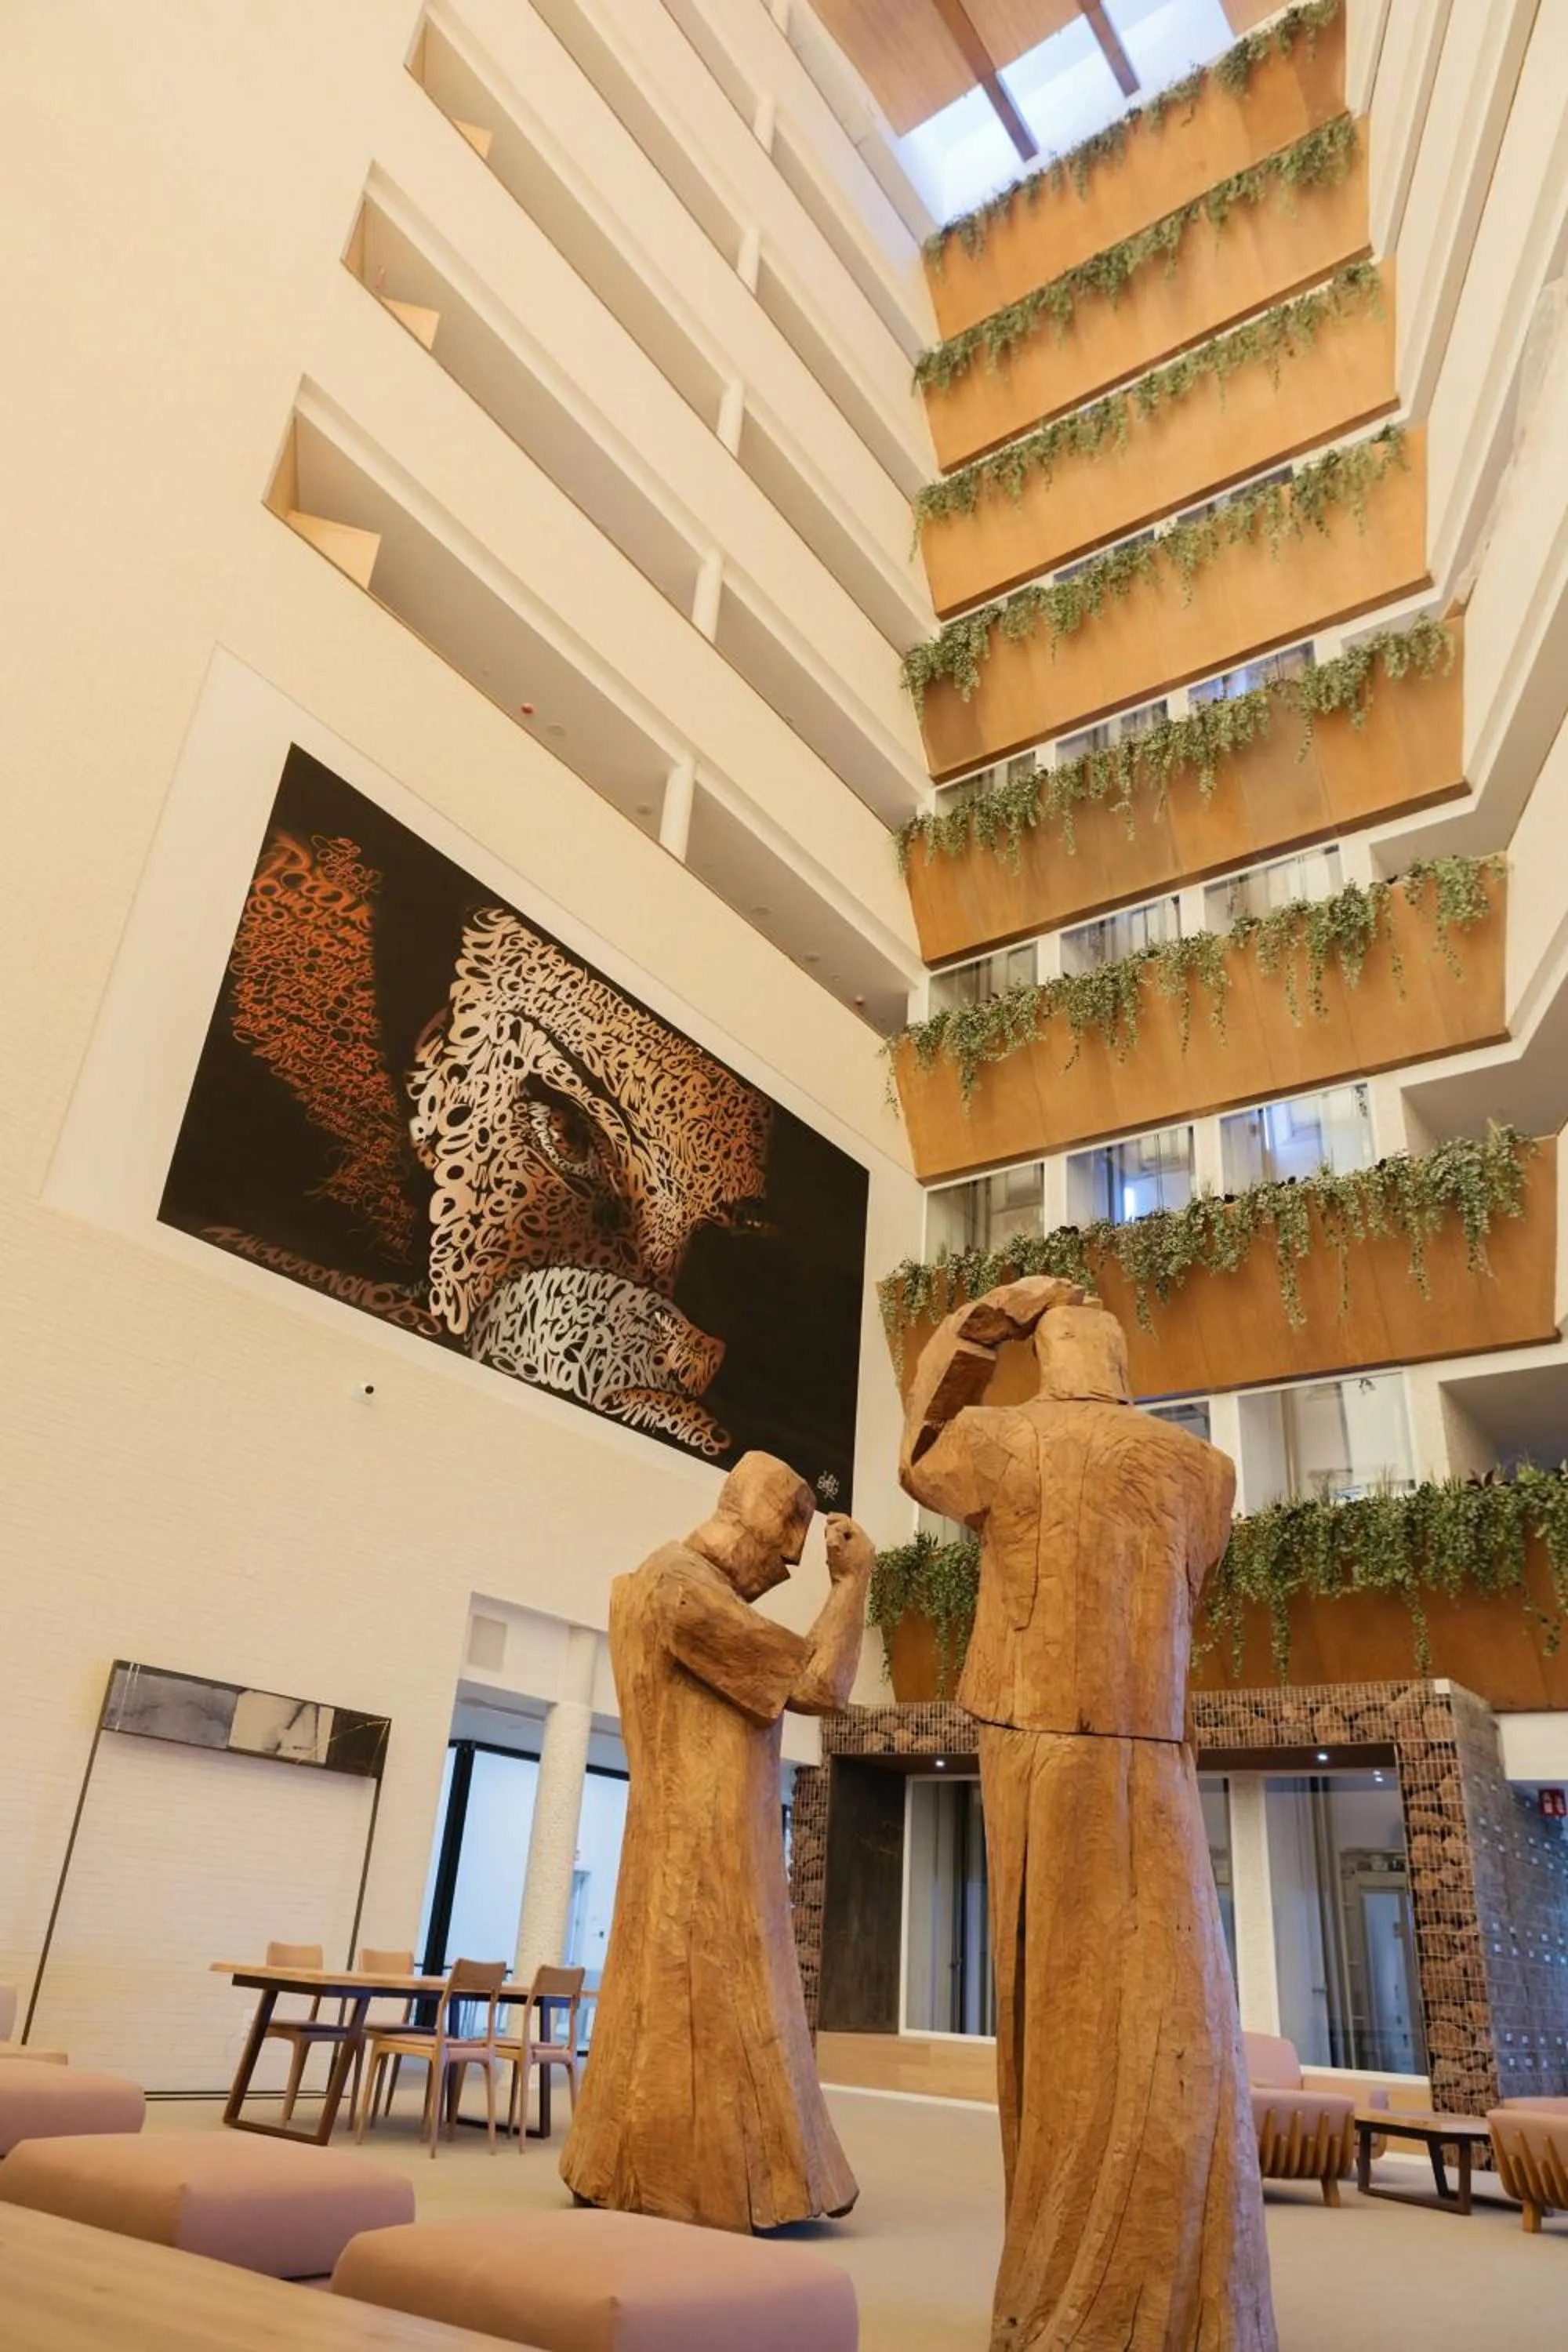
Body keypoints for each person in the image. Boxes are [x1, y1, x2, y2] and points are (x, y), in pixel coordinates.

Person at [900, 1277, 1276, 2352]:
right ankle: (1175, 2289)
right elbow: (1190, 1595)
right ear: (1120, 1363)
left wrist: (981, 1323)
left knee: (1059, 2004)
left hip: (1038, 1737)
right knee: (1167, 1995)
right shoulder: (1203, 1468)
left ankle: (1086, 2287)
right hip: (1151, 1742)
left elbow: (916, 1449)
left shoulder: (1004, 1439)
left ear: (1047, 1356)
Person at [561, 1453, 871, 2233]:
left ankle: (644, 2164)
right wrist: (851, 1585)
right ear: (755, 1528)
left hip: (693, 1833)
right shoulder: (680, 1589)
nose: (781, 1571)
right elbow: (817, 1688)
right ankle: (703, 2175)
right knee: (708, 2002)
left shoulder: (662, 1581)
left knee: (675, 2003)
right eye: (780, 1554)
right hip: (704, 1843)